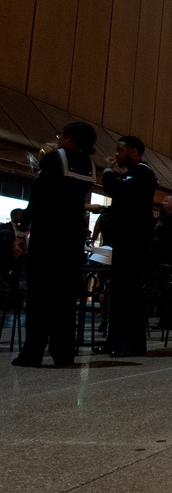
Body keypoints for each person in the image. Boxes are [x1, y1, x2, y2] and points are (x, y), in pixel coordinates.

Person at [12, 123, 97, 367]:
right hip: (73, 237)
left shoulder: (54, 159)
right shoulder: (89, 165)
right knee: (66, 297)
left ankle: (32, 353)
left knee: (40, 296)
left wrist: (21, 231)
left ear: (68, 137)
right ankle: (63, 353)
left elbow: (38, 197)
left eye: (61, 135)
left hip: (48, 235)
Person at [97, 135, 157, 357]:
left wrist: (108, 172)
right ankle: (116, 341)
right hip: (128, 240)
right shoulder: (136, 174)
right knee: (121, 293)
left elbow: (117, 191)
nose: (116, 155)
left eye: (119, 150)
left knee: (128, 293)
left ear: (133, 151)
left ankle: (128, 344)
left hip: (132, 242)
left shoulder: (142, 172)